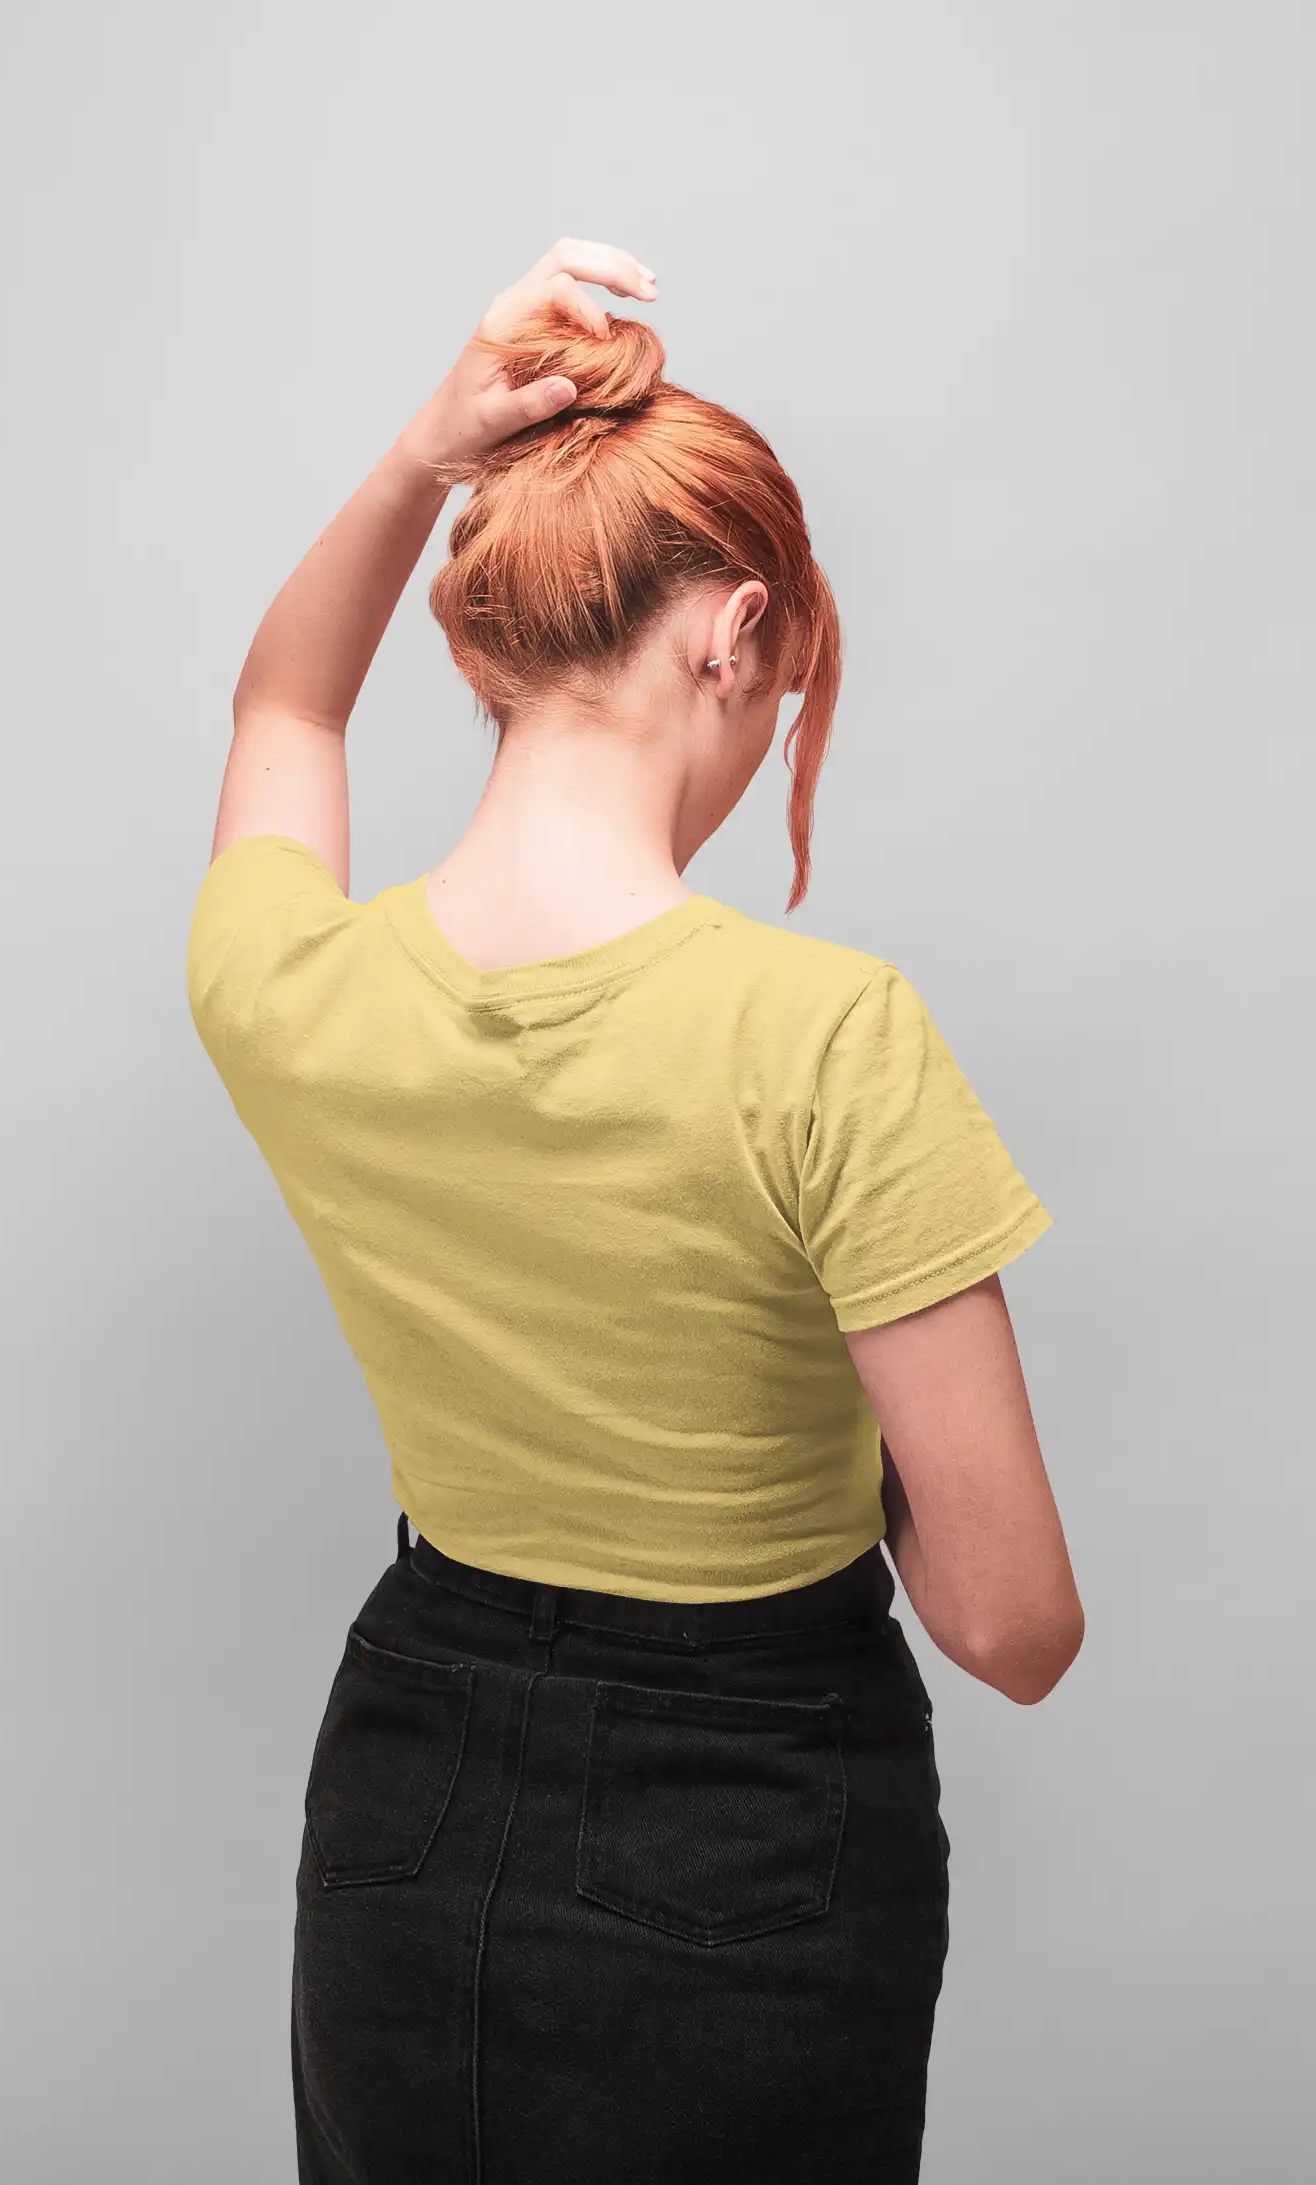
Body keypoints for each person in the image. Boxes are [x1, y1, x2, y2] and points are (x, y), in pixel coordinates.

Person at [186, 237, 1084, 2185]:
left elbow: (287, 705)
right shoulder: (825, 1034)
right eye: (786, 685)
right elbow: (1011, 1625)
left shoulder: (290, 991)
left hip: (405, 1786)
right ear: (734, 633)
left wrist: (427, 449)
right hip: (748, 1809)